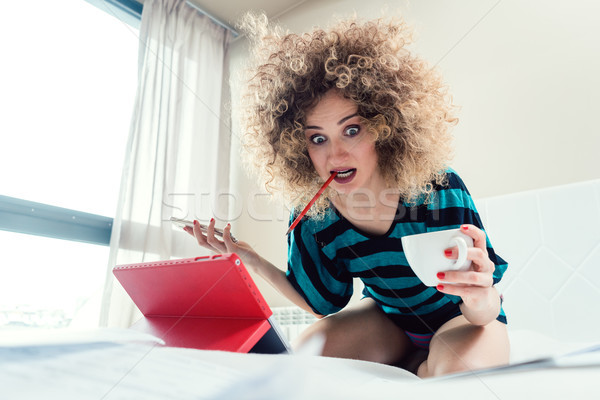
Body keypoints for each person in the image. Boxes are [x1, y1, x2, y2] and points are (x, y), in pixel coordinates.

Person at [184, 15, 510, 378]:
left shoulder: (438, 187)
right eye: (317, 138)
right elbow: (321, 303)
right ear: (297, 145)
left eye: (351, 130)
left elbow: (484, 307)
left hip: (463, 319)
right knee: (307, 359)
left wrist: (481, 299)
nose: (335, 156)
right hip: (388, 320)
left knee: (456, 381)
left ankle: (425, 367)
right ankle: (415, 363)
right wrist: (251, 259)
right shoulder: (314, 213)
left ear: (383, 126)